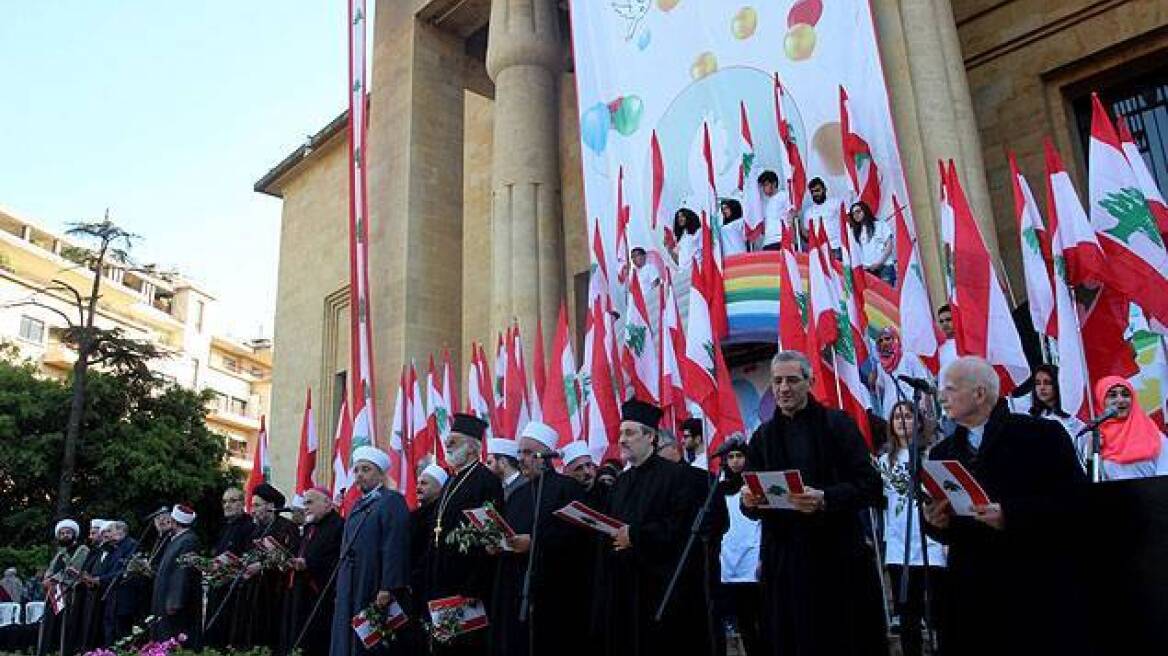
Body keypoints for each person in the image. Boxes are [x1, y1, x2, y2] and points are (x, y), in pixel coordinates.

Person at [923, 356, 1086, 656]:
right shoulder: (942, 453)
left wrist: (1011, 513)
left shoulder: (1040, 435)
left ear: (980, 393)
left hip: (1033, 580)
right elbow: (950, 524)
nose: (941, 396)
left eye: (949, 388)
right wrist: (937, 522)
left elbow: (1075, 501)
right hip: (973, 588)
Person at [741, 350, 887, 656]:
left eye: (792, 380)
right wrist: (749, 501)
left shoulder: (838, 425)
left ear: (811, 382)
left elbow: (871, 486)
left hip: (835, 560)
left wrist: (826, 498)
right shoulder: (763, 437)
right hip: (785, 564)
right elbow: (751, 501)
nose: (783, 388)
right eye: (777, 381)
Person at [596, 399, 710, 656]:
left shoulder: (678, 477)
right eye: (621, 433)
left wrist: (634, 536)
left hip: (660, 587)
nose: (622, 439)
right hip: (624, 587)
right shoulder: (620, 482)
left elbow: (679, 526)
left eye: (630, 432)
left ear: (651, 437)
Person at [488, 421, 588, 656]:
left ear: (545, 456)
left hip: (554, 589)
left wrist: (534, 543)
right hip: (516, 587)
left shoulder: (568, 488)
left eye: (528, 452)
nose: (521, 458)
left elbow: (576, 536)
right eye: (520, 452)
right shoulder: (518, 494)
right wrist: (498, 544)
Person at [425, 414, 504, 656]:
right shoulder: (451, 480)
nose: (446, 446)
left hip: (468, 584)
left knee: (466, 647)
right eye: (448, 441)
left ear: (471, 448)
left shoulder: (486, 480)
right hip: (442, 578)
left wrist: (473, 585)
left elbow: (489, 534)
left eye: (453, 442)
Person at [877, 403, 946, 656]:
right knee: (908, 617)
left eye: (907, 416)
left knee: (938, 613)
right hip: (899, 545)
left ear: (918, 422)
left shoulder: (932, 455)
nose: (901, 421)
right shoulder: (884, 461)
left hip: (931, 543)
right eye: (897, 416)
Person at [329, 446, 411, 656]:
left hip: (372, 580)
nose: (359, 475)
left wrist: (387, 586)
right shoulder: (357, 504)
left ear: (381, 474)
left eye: (366, 469)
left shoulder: (392, 500)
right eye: (356, 470)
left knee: (368, 640)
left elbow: (395, 545)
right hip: (351, 580)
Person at [229, 483, 299, 651]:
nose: (252, 510)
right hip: (252, 595)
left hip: (275, 596)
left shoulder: (287, 528)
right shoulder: (255, 531)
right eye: (252, 506)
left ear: (271, 506)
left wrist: (261, 566)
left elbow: (289, 560)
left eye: (257, 505)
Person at [283, 487, 343, 656]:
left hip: (322, 596)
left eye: (309, 502)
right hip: (302, 594)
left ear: (327, 503)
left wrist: (308, 564)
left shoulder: (338, 525)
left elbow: (336, 560)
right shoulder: (310, 527)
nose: (305, 507)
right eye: (304, 503)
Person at [716, 440, 762, 656]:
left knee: (759, 619)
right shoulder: (718, 489)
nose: (735, 461)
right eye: (731, 457)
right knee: (741, 623)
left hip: (753, 560)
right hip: (728, 561)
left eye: (739, 456)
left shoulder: (755, 486)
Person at [1087, 376, 1168, 480]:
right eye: (1112, 395)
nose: (1120, 400)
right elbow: (1091, 481)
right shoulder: (1096, 437)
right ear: (1101, 400)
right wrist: (1092, 454)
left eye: (1125, 395)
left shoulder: (1154, 435)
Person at [204, 487, 255, 648]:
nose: (227, 505)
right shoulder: (225, 526)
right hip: (217, 588)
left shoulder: (249, 527)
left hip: (235, 593)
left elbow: (247, 559)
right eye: (224, 501)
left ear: (242, 503)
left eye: (232, 501)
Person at [37, 519, 89, 656]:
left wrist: (53, 579)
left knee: (66, 626)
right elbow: (50, 569)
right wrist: (47, 579)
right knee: (49, 624)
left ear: (74, 534)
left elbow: (73, 568)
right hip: (54, 593)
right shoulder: (60, 553)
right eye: (62, 533)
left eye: (68, 532)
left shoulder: (82, 549)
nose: (65, 535)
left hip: (70, 593)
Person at [151, 505, 200, 647]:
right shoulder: (177, 539)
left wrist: (174, 602)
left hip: (173, 606)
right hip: (164, 601)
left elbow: (182, 573)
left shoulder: (188, 540)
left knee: (172, 639)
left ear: (174, 521)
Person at [871, 326, 935, 423]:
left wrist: (923, 407)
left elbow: (923, 383)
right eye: (880, 341)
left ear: (896, 339)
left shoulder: (909, 357)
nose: (884, 342)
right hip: (891, 413)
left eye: (887, 338)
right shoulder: (880, 366)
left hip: (912, 408)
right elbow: (880, 390)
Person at [94, 521, 139, 646]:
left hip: (125, 597)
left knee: (122, 634)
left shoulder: (131, 545)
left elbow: (124, 571)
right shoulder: (114, 548)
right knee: (110, 632)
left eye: (110, 531)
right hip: (111, 597)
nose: (107, 535)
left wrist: (100, 579)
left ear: (121, 531)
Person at [1027, 364, 1086, 450]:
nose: (1042, 388)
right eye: (1038, 383)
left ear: (1057, 384)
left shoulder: (1073, 418)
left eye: (1047, 383)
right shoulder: (1032, 417)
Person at [848, 201, 894, 285]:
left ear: (865, 210)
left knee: (887, 296)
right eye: (853, 214)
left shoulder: (880, 224)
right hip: (867, 271)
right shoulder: (855, 232)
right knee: (873, 297)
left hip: (885, 266)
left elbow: (889, 246)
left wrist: (879, 263)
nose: (855, 215)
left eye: (858, 211)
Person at [802, 178, 849, 259]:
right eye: (812, 192)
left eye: (817, 190)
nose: (815, 194)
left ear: (824, 189)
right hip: (820, 251)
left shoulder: (836, 203)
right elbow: (806, 232)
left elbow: (848, 220)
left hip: (836, 247)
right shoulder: (808, 212)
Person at [758, 170, 796, 250]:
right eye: (763, 186)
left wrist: (792, 240)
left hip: (781, 239)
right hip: (767, 242)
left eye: (766, 185)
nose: (764, 189)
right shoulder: (764, 203)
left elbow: (792, 216)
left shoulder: (783, 196)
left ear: (774, 184)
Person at [936, 305, 958, 374]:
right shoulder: (938, 347)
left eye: (948, 319)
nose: (944, 324)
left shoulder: (966, 346)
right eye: (941, 321)